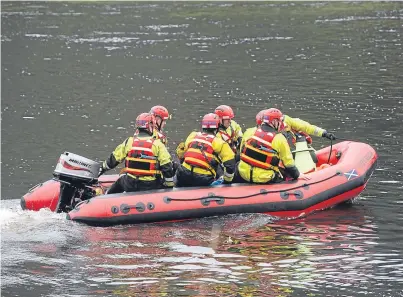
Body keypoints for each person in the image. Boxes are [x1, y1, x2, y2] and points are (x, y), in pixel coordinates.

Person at [99, 112, 175, 194]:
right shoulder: (157, 144)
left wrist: (102, 168)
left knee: (121, 181)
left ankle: (105, 196)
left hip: (130, 183)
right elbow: (167, 166)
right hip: (150, 185)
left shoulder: (129, 142)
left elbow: (114, 159)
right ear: (150, 126)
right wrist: (169, 186)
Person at [234, 108, 310, 184]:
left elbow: (241, 152)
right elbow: (288, 163)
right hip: (264, 178)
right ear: (274, 121)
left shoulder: (249, 131)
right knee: (285, 174)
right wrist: (297, 174)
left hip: (243, 175)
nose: (281, 124)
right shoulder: (279, 138)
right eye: (280, 121)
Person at [175, 113, 236, 187]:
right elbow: (230, 164)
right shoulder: (219, 142)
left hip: (183, 175)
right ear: (217, 127)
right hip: (203, 179)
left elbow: (181, 152)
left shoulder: (193, 135)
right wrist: (227, 181)